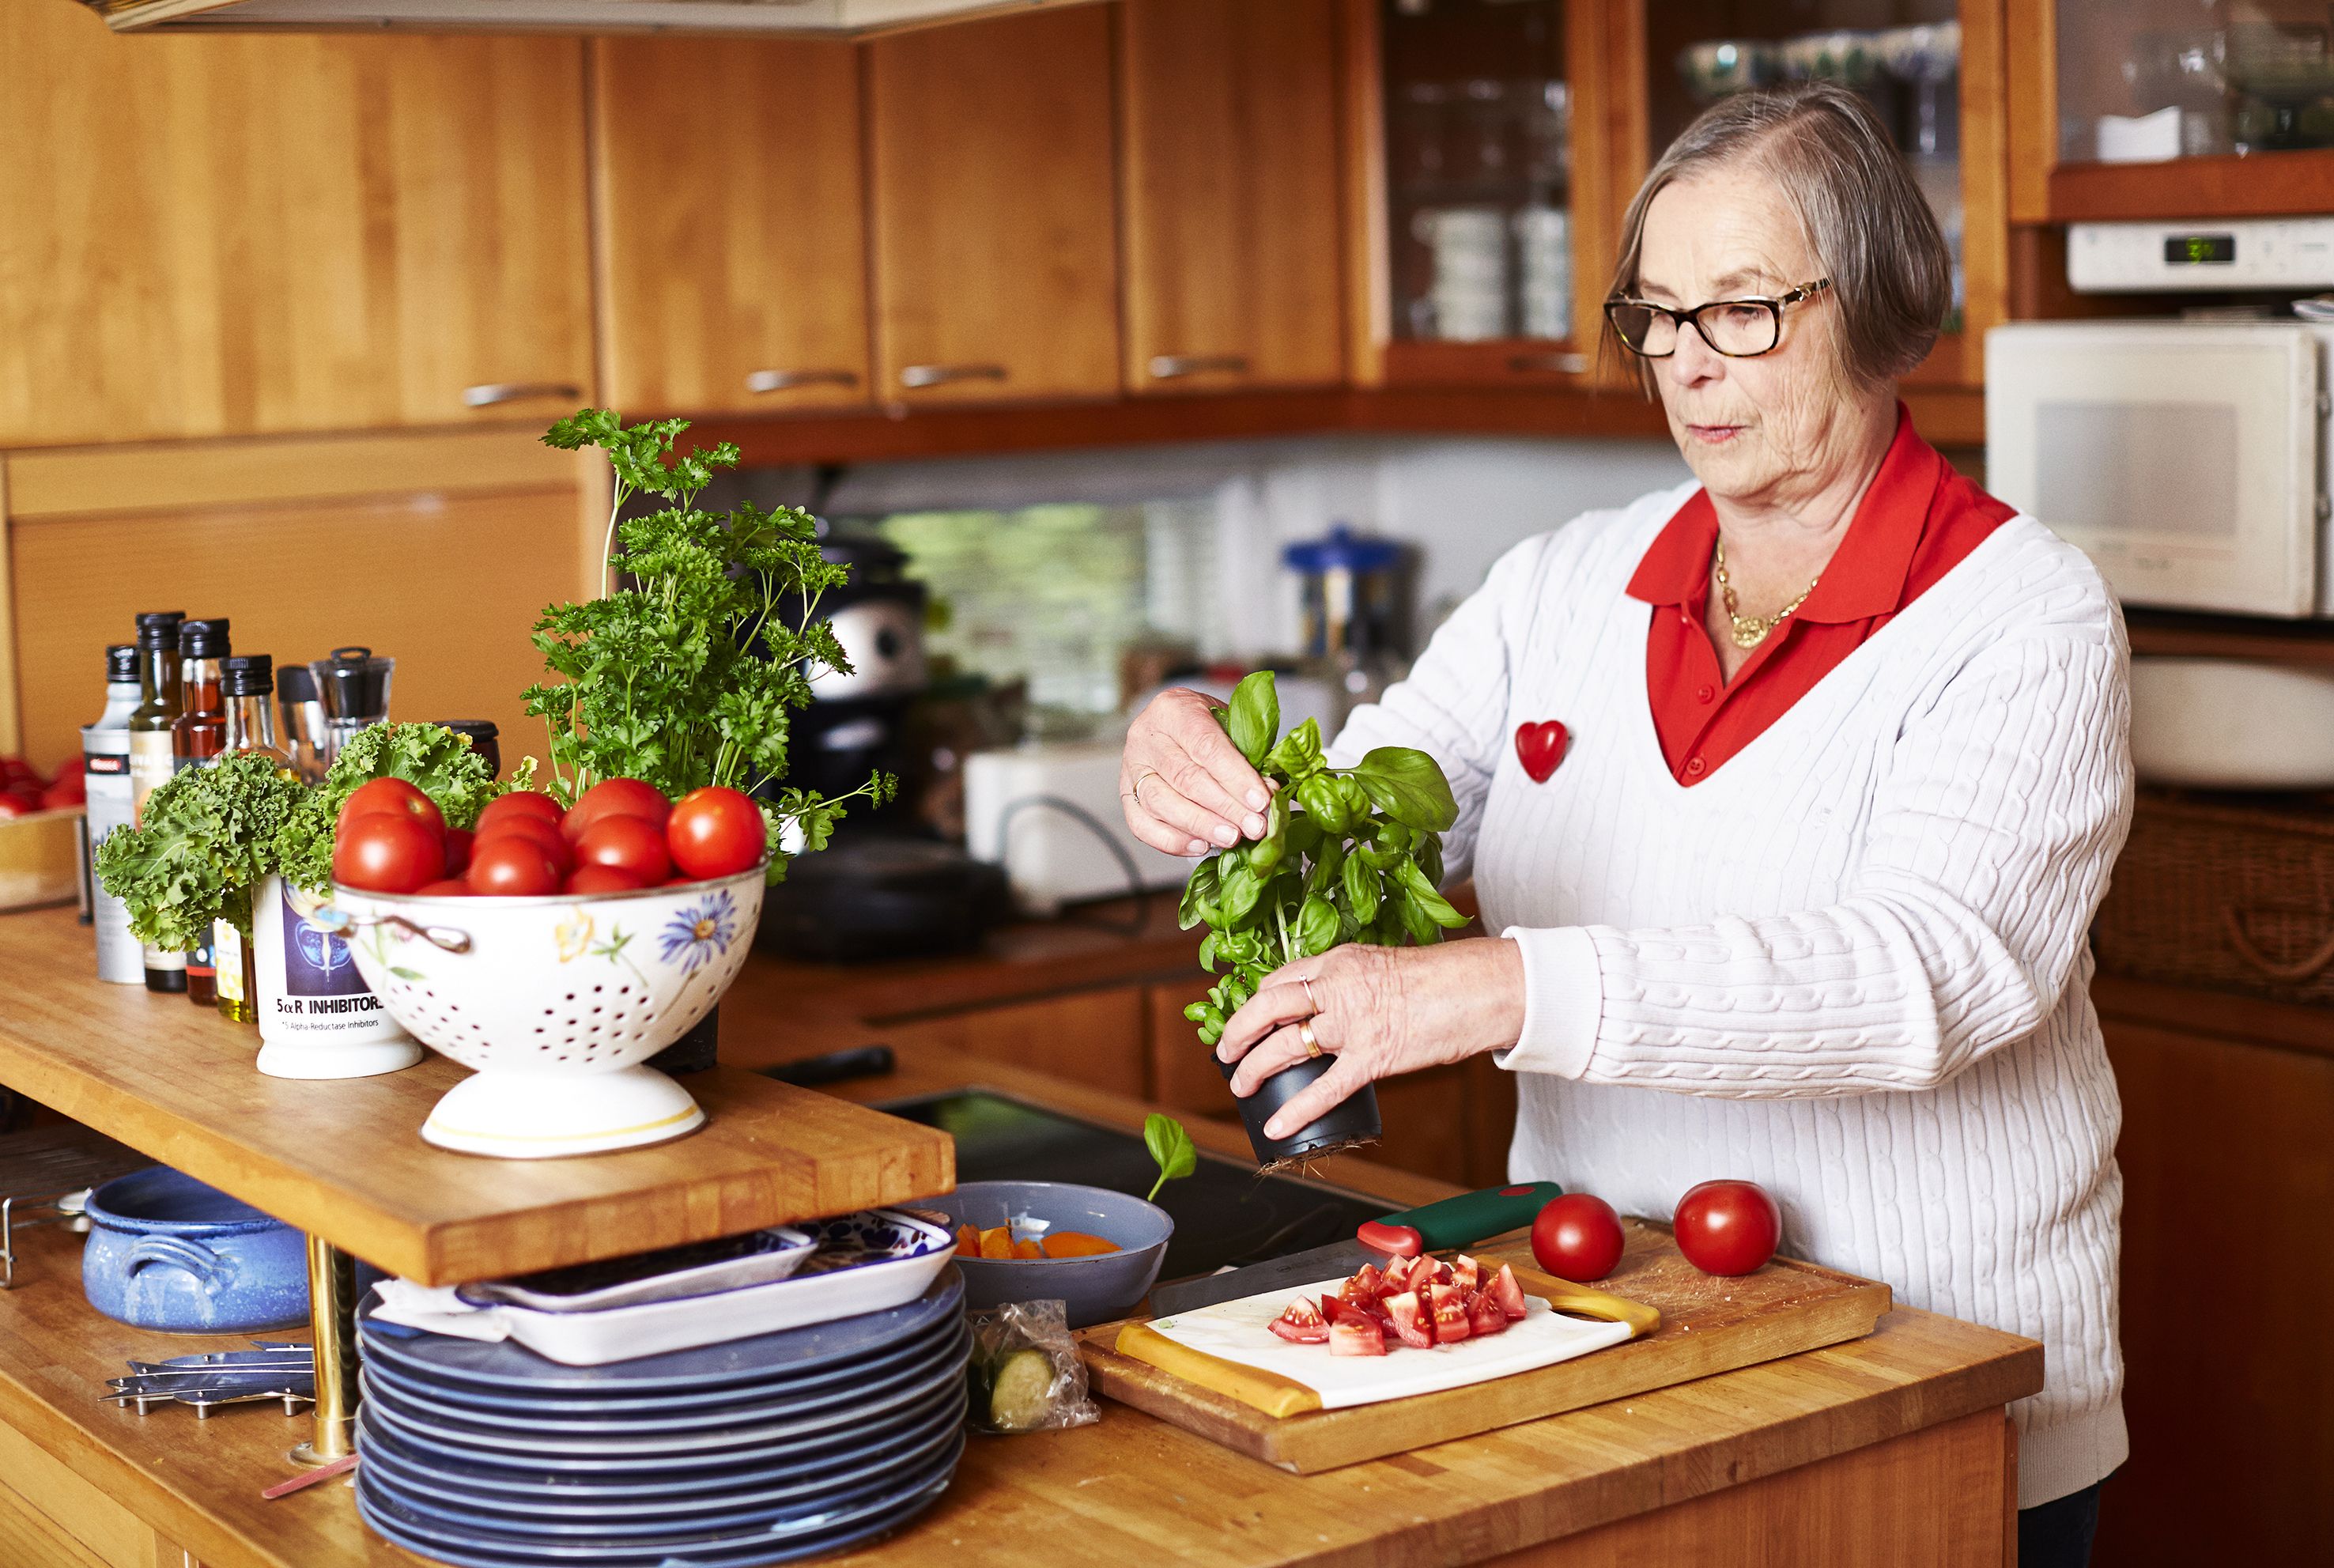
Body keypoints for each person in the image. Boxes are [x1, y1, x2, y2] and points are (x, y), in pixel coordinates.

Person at [1118, 84, 2128, 1567]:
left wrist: (1502, 986)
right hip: (1614, 1346)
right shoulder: (1560, 584)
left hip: (1936, 1375)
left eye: (1742, 311)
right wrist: (1199, 760)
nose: (1685, 366)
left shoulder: (2025, 617)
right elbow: (1361, 808)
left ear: (1878, 305)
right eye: (1657, 315)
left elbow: (1925, 976)